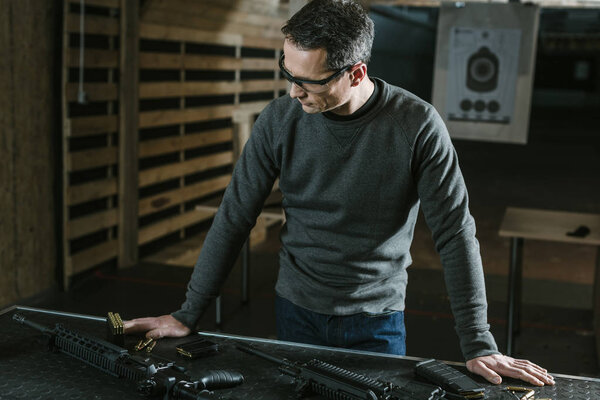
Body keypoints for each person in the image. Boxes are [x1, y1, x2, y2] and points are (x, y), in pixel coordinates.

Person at [125, 0, 554, 387]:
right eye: (287, 73)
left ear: (356, 72)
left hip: (376, 321)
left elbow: (455, 233)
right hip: (295, 308)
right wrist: (188, 313)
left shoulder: (417, 126)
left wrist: (479, 343)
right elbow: (235, 216)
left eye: (308, 82)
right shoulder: (279, 119)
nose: (294, 91)